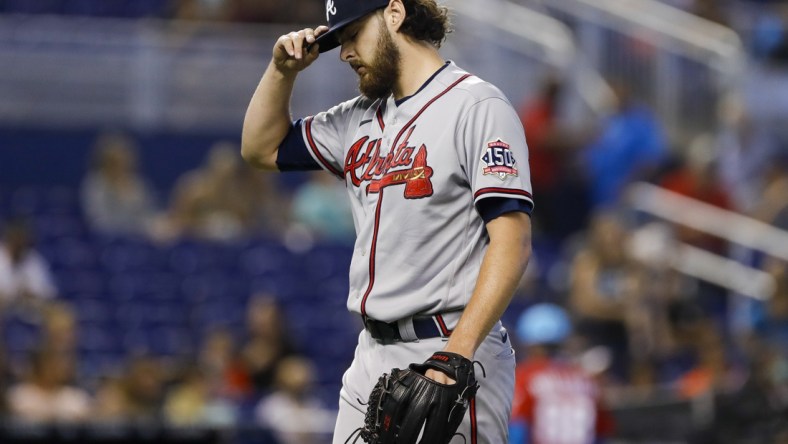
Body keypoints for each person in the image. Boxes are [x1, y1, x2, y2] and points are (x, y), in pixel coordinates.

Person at [240, 0, 533, 442]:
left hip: (451, 345)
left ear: (394, 13)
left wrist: (457, 354)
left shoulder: (476, 105)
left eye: (353, 32)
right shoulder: (358, 117)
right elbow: (260, 149)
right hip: (371, 354)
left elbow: (511, 242)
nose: (343, 51)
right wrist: (283, 71)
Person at [509, 303, 614, 444]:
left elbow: (517, 430)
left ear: (528, 343)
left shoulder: (525, 376)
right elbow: (601, 432)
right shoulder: (586, 378)